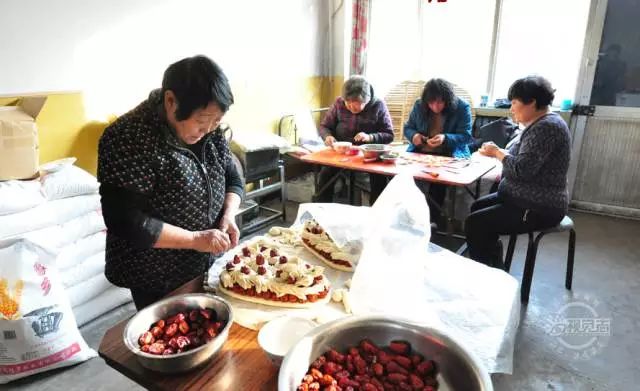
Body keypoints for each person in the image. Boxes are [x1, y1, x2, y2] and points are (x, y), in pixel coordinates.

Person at [98, 55, 243, 310]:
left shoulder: (211, 131)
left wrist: (229, 214)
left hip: (203, 261)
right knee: (166, 334)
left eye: (216, 121)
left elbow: (232, 175)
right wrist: (195, 239)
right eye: (200, 121)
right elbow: (125, 220)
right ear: (170, 101)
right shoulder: (129, 137)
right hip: (154, 272)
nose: (208, 129)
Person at [465, 76, 570, 267]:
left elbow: (523, 169)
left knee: (476, 224)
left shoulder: (546, 127)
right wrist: (498, 152)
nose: (511, 108)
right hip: (520, 198)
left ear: (532, 102)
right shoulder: (538, 124)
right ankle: (492, 263)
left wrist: (497, 153)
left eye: (514, 102)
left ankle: (491, 278)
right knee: (477, 208)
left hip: (540, 206)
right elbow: (522, 158)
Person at [403, 78, 472, 223]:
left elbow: (465, 136)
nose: (435, 106)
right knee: (406, 178)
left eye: (440, 102)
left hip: (448, 154)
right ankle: (411, 219)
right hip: (421, 153)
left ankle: (433, 221)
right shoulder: (419, 105)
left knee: (438, 182)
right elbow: (408, 128)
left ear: (448, 99)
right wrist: (414, 136)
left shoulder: (461, 107)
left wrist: (445, 138)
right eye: (431, 102)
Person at [317, 75, 394, 204]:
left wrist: (370, 137)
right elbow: (325, 126)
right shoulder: (338, 103)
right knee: (325, 174)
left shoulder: (378, 105)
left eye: (356, 104)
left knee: (379, 177)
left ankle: (377, 214)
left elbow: (389, 135)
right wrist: (327, 136)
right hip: (342, 153)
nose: (351, 107)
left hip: (369, 154)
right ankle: (321, 212)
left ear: (367, 100)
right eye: (348, 103)